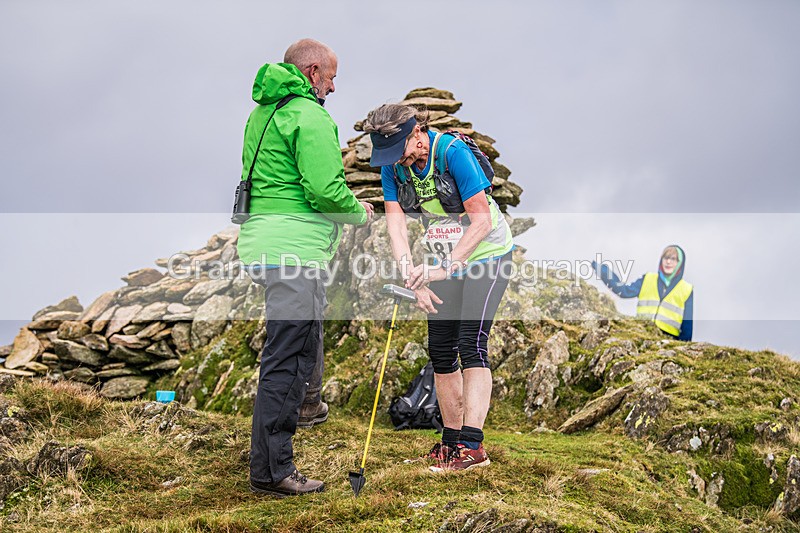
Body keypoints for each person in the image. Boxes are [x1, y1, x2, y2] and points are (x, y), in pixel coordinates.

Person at [238, 38, 373, 497]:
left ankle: (302, 417)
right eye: (332, 76)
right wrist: (359, 213)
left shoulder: (263, 113)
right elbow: (324, 190)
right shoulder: (309, 115)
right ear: (313, 71)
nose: (334, 87)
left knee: (299, 344)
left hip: (267, 244)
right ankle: (273, 472)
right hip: (293, 249)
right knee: (287, 359)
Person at [362, 103, 514, 472]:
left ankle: (473, 447)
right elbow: (396, 226)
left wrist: (443, 269)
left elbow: (479, 221)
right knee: (441, 349)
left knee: (471, 342)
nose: (393, 159)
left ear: (416, 133)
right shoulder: (392, 169)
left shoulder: (453, 153)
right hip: (443, 262)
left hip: (488, 255)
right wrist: (411, 275)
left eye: (398, 149)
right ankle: (450, 443)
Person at [592, 245, 693, 341]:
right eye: (665, 258)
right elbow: (624, 291)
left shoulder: (686, 289)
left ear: (680, 264)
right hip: (643, 334)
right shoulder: (647, 279)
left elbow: (687, 328)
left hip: (669, 340)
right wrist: (604, 272)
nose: (668, 262)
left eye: (673, 259)